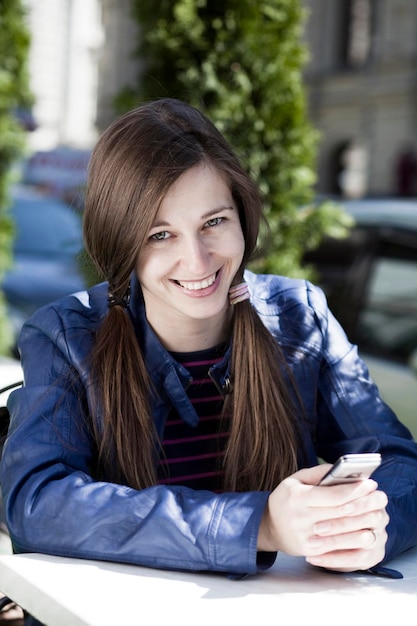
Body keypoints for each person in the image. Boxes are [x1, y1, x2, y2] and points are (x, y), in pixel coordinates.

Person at [2, 99, 417, 588]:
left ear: (241, 216)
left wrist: (370, 529)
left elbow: (401, 464)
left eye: (213, 222)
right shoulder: (67, 335)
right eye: (160, 235)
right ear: (121, 244)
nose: (196, 261)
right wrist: (260, 524)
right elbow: (38, 501)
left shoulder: (299, 316)